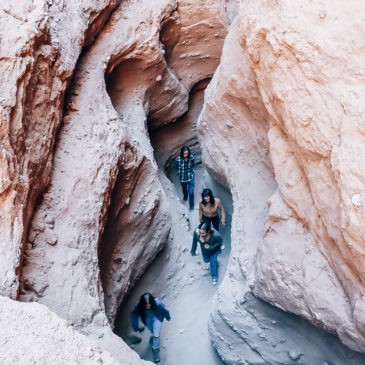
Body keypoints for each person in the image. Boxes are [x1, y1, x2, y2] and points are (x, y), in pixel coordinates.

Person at [131, 293, 171, 363]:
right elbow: (133, 313)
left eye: (149, 303)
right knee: (152, 330)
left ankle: (155, 351)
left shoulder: (157, 303)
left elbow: (164, 310)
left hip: (157, 319)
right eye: (146, 304)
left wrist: (167, 316)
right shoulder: (139, 305)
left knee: (156, 334)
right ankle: (153, 335)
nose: (148, 305)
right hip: (147, 320)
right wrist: (136, 327)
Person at [174, 145, 195, 211]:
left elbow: (192, 165)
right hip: (182, 179)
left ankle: (191, 206)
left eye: (187, 153)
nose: (185, 155)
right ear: (182, 153)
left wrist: (190, 172)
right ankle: (185, 196)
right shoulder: (178, 160)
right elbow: (176, 167)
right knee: (184, 190)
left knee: (191, 192)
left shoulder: (192, 158)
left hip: (190, 177)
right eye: (184, 153)